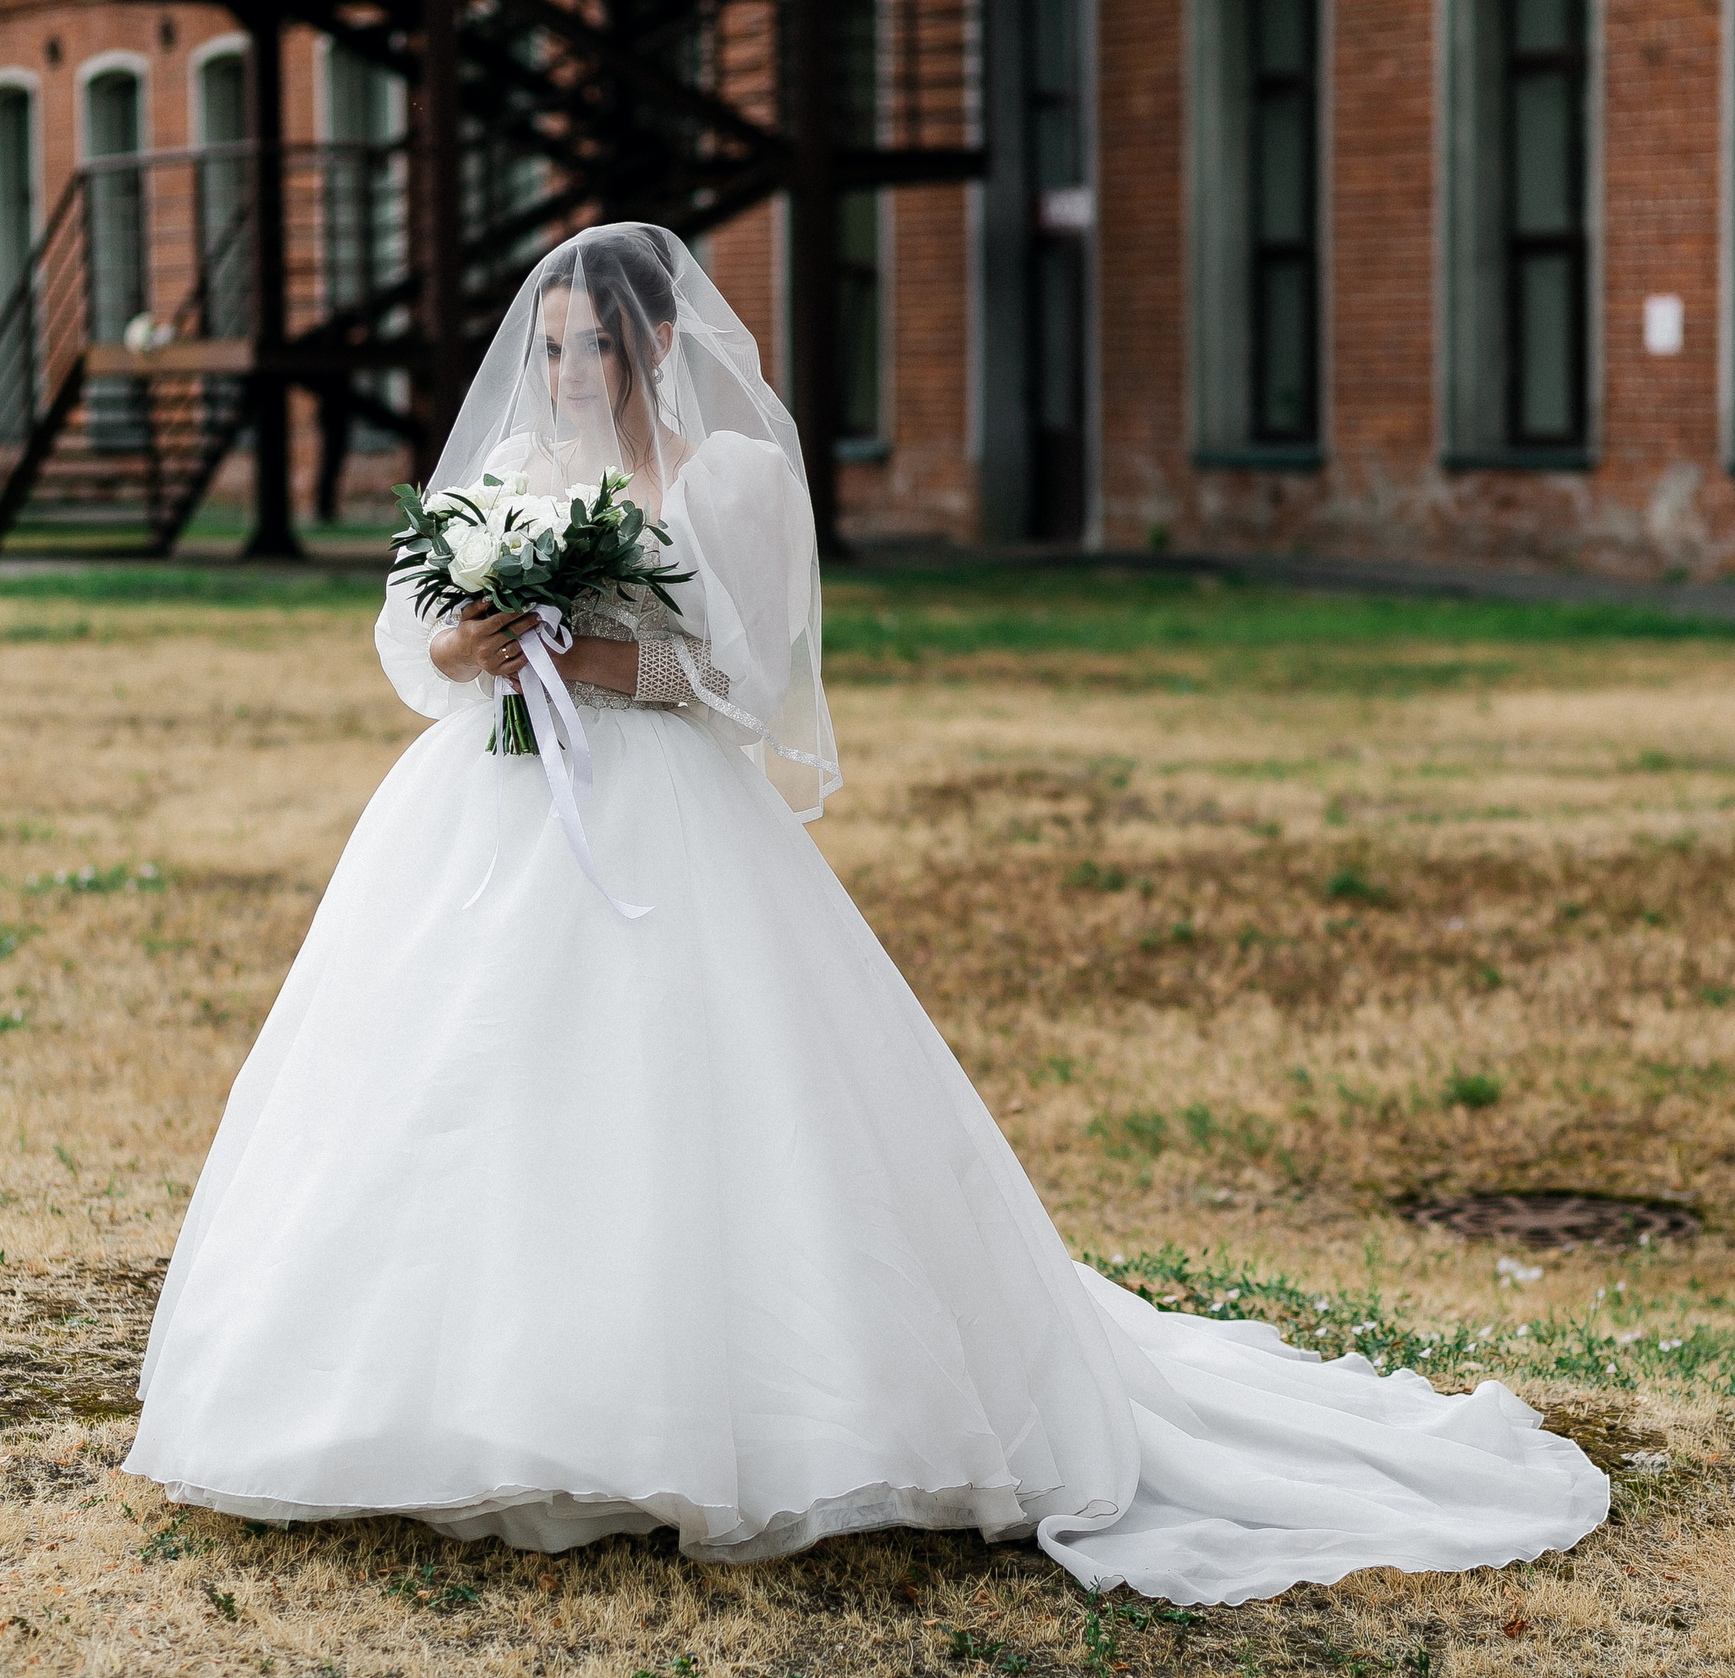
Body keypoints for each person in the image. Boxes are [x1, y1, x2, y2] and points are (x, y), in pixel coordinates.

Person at [121, 223, 1606, 1605]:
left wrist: (610, 668)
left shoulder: (728, 483)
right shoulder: (498, 472)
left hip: (665, 815)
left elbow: (749, 686)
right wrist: (468, 649)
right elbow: (406, 639)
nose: (568, 376)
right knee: (457, 1082)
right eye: (554, 348)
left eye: (596, 351)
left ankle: (713, 1401)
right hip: (487, 811)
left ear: (651, 352)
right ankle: (428, 1396)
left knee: (691, 1094)